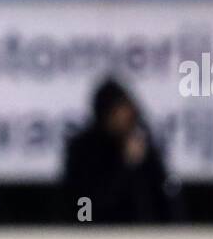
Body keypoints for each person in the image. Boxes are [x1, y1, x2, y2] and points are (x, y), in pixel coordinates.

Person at [61, 78, 179, 223]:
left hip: (141, 234)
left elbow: (163, 197)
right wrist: (125, 166)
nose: (123, 119)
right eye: (117, 113)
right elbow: (87, 205)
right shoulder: (83, 150)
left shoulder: (140, 145)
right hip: (96, 232)